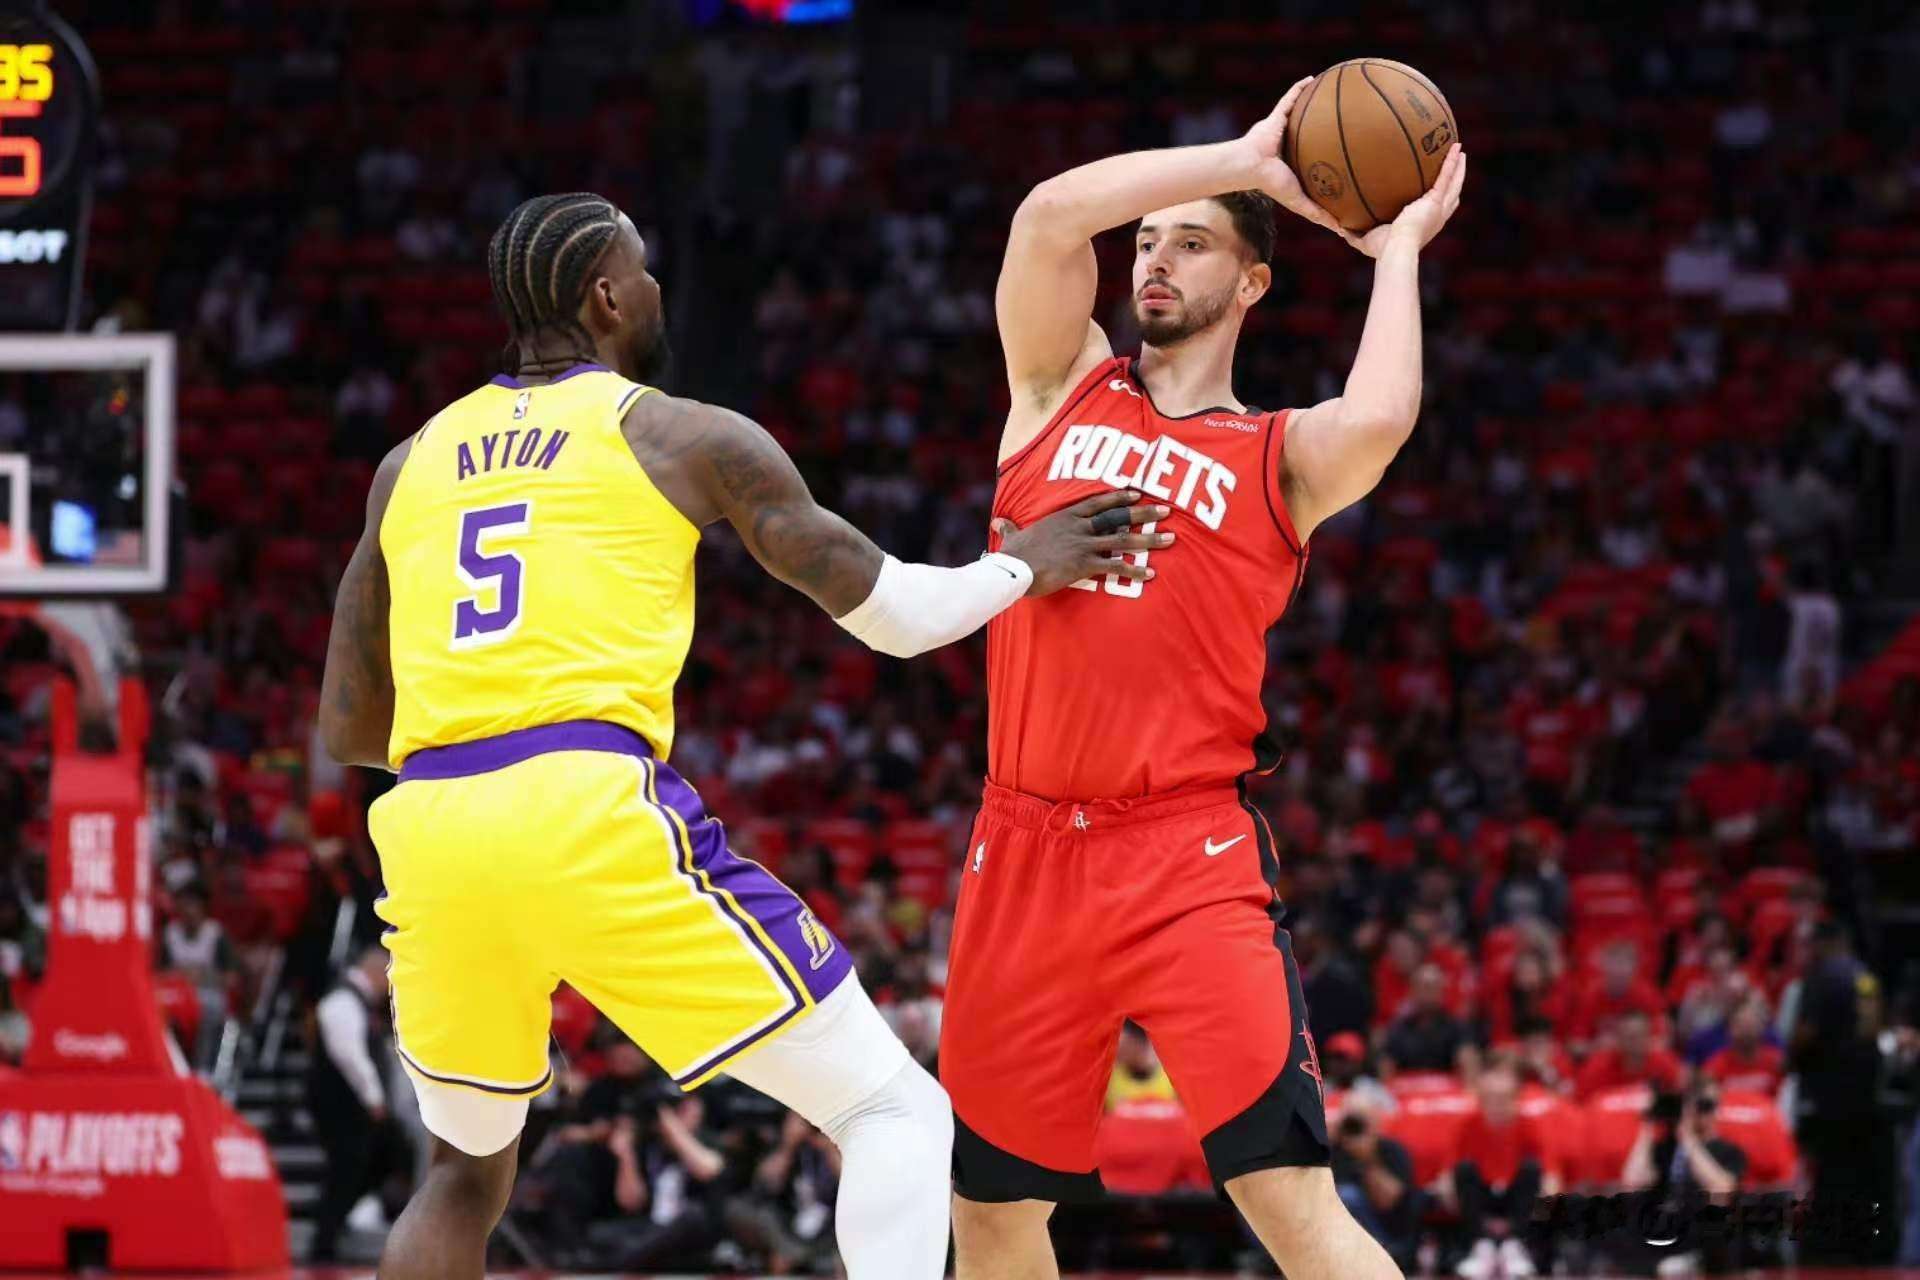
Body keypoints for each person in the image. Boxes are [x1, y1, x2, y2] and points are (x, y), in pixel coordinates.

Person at [317, 192, 1158, 1280]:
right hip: (585, 802)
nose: (657, 287)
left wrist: (483, 748)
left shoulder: (409, 463)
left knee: (463, 1175)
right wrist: (1022, 565)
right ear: (607, 295)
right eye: (643, 268)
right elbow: (896, 617)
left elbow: (348, 723)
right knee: (893, 1109)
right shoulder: (676, 432)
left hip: (431, 820)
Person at [940, 75, 1467, 1280]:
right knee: (992, 1217)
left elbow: (1382, 415)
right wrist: (1239, 159)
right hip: (1022, 847)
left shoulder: (1278, 454)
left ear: (1254, 282)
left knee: (1291, 1203)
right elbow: (1046, 215)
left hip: (1185, 850)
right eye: (1147, 241)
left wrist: (1395, 252)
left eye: (1192, 243)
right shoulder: (1057, 387)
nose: (1155, 259)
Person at [308, 946, 411, 1263]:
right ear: (376, 971)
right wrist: (374, 1098)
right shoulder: (342, 1000)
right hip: (343, 1106)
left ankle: (341, 1226)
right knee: (347, 1169)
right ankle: (324, 1243)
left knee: (385, 1157)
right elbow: (349, 1056)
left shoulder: (361, 1003)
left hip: (354, 1107)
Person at [1442, 1063, 1554, 1279]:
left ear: (1515, 1099)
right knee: (1463, 1169)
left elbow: (1549, 1173)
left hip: (1516, 1200)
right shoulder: (1467, 1125)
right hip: (1481, 1199)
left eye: (1503, 1099)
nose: (1497, 1105)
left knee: (1532, 1168)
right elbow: (1448, 1171)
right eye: (1490, 1099)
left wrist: (1548, 1202)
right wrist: (1447, 1191)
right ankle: (1481, 1246)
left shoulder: (1530, 1125)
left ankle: (1514, 1246)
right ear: (1481, 1100)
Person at [1329, 1097, 1420, 1271]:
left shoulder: (1392, 1150)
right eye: (1351, 1121)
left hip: (1387, 1228)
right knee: (1343, 1195)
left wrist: (1368, 1160)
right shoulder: (1336, 1151)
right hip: (1343, 1234)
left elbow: (1391, 1200)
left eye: (1361, 1122)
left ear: (1376, 1124)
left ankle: (1383, 1250)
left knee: (1349, 1195)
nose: (1355, 1128)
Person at [1381, 962, 1475, 1077]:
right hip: (1407, 1085)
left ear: (1442, 991)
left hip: (1446, 1085)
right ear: (1412, 991)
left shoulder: (1457, 1027)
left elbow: (1468, 1061)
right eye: (1423, 987)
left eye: (1433, 987)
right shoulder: (1398, 1028)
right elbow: (1387, 1065)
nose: (1428, 993)